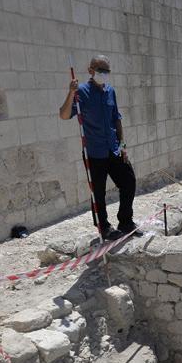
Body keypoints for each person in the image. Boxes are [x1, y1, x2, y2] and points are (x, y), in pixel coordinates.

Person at [59, 55, 139, 240]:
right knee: (98, 192)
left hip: (114, 147)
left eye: (106, 71)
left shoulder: (110, 91)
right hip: (94, 152)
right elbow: (63, 115)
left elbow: (116, 118)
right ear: (91, 70)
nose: (103, 74)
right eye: (100, 70)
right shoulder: (81, 92)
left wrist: (122, 145)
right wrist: (71, 92)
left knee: (129, 181)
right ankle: (103, 227)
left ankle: (125, 221)